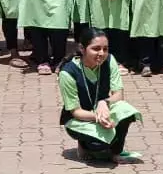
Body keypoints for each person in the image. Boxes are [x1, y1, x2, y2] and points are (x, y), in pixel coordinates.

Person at [58, 26, 142, 163]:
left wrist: (104, 103)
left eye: (105, 49)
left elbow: (118, 94)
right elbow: (75, 111)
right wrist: (99, 117)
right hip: (79, 119)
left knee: (127, 111)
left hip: (104, 111)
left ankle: (116, 152)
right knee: (98, 145)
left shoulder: (110, 61)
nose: (101, 53)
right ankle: (84, 144)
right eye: (96, 48)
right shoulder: (67, 73)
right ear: (82, 48)